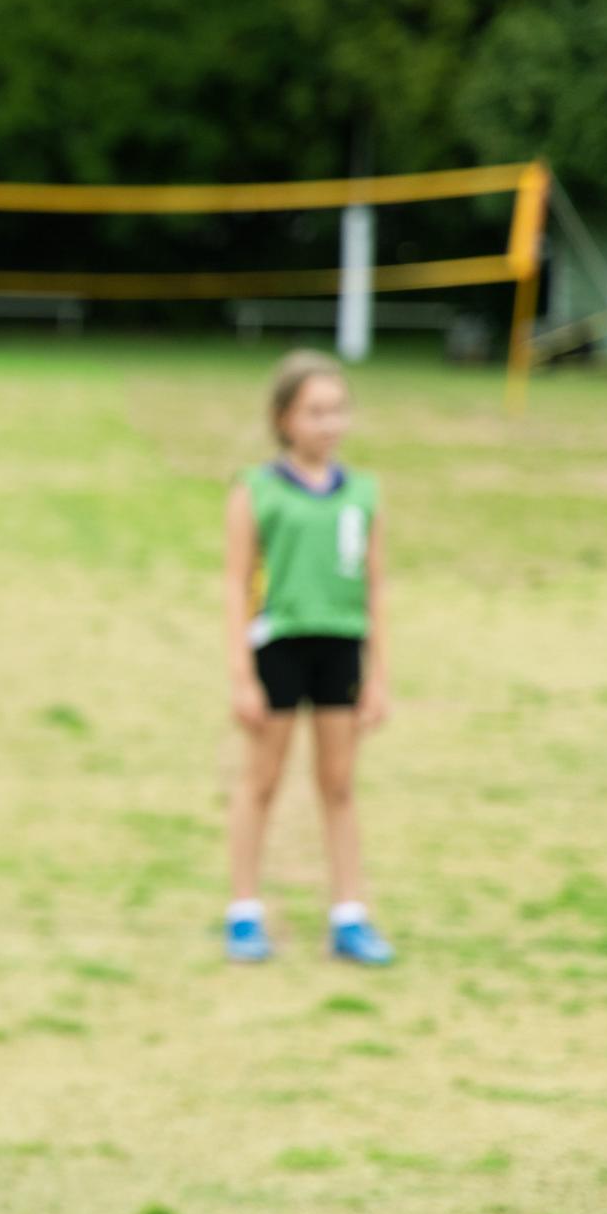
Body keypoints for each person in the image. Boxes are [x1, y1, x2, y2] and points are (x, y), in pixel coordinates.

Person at [222, 350, 394, 965]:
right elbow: (236, 584)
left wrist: (378, 676)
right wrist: (242, 676)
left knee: (339, 784)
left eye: (337, 410)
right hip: (280, 645)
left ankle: (349, 915)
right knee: (262, 781)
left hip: (339, 646)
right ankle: (245, 912)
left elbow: (376, 587)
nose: (328, 424)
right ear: (284, 419)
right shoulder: (257, 490)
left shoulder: (363, 493)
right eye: (314, 412)